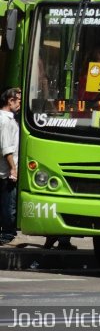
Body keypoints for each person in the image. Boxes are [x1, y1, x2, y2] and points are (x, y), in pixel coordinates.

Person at [0, 87, 21, 245]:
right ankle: (7, 234)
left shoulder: (11, 119)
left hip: (6, 170)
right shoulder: (4, 120)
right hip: (6, 171)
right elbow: (6, 148)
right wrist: (13, 168)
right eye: (18, 101)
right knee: (8, 204)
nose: (20, 104)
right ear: (10, 101)